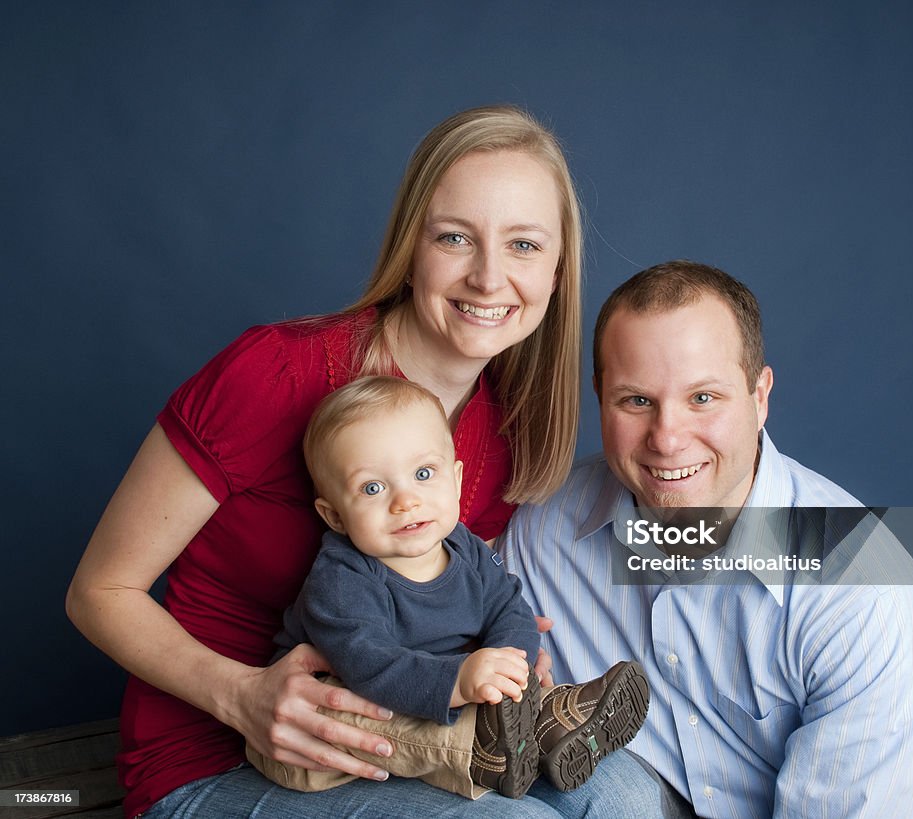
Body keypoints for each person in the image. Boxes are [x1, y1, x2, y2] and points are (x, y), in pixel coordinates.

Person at [66, 106, 665, 819]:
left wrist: (505, 656)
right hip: (213, 762)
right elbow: (98, 590)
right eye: (454, 238)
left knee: (627, 792)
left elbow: (454, 593)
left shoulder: (502, 427)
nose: (489, 277)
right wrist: (243, 697)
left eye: (525, 245)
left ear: (558, 267)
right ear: (412, 246)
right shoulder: (275, 374)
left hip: (398, 733)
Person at [500, 260, 913, 818]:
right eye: (636, 401)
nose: (667, 439)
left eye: (703, 398)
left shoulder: (864, 590)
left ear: (759, 396)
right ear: (599, 395)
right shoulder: (544, 531)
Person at [246, 375, 649, 800]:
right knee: (364, 711)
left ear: (455, 480)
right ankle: (486, 750)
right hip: (319, 730)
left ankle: (549, 722)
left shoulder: (463, 546)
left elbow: (509, 607)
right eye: (372, 488)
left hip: (437, 693)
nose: (405, 501)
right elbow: (374, 669)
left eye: (423, 473)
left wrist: (513, 668)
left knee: (499, 689)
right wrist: (460, 680)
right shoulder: (341, 580)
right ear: (335, 516)